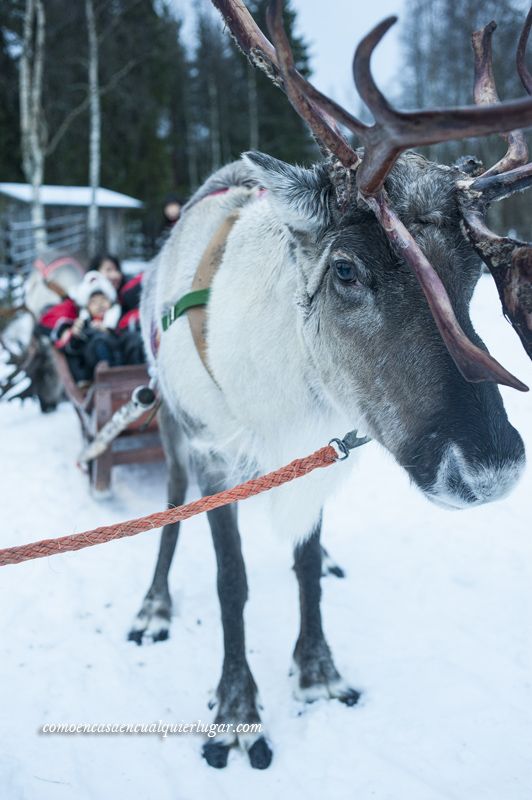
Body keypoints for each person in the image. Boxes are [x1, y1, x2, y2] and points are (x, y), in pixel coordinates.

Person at [55, 271, 122, 383]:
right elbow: (72, 347)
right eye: (94, 302)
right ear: (87, 307)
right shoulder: (84, 323)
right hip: (95, 365)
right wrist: (76, 334)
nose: (100, 305)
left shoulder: (117, 319)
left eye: (103, 300)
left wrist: (108, 330)